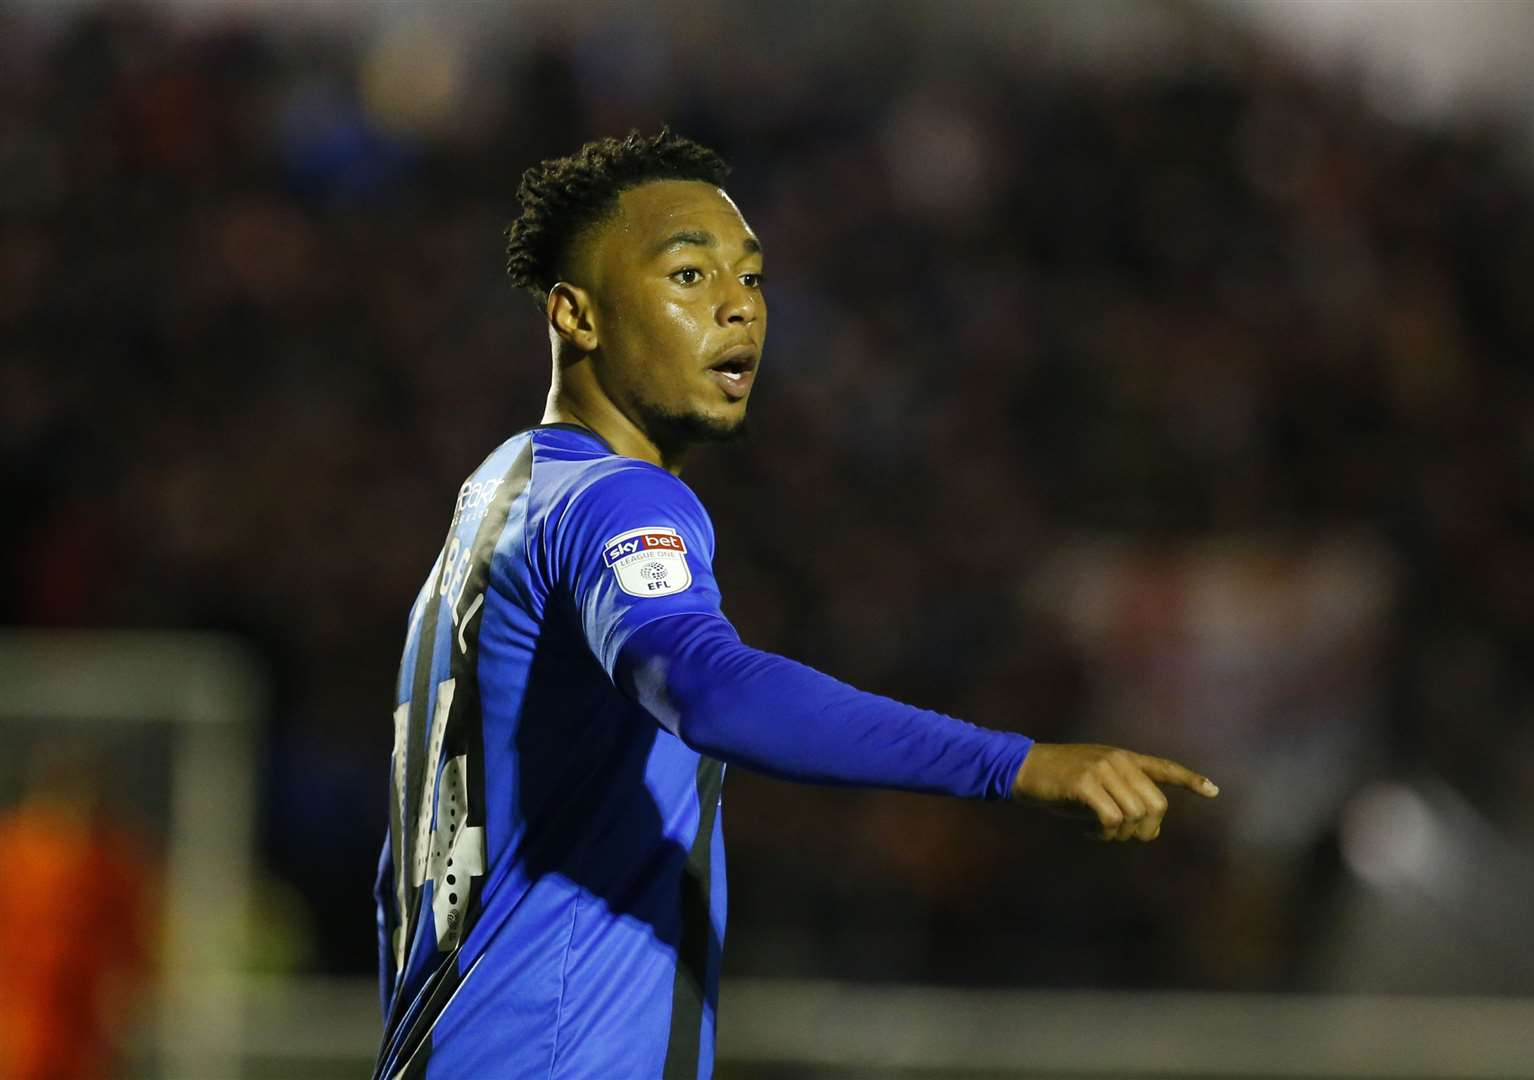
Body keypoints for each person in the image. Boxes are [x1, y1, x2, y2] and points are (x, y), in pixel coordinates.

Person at [372, 128, 1219, 1080]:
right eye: (688, 277)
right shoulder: (618, 500)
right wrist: (1014, 763)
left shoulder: (498, 495)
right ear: (577, 315)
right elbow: (707, 689)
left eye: (752, 277)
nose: (739, 307)